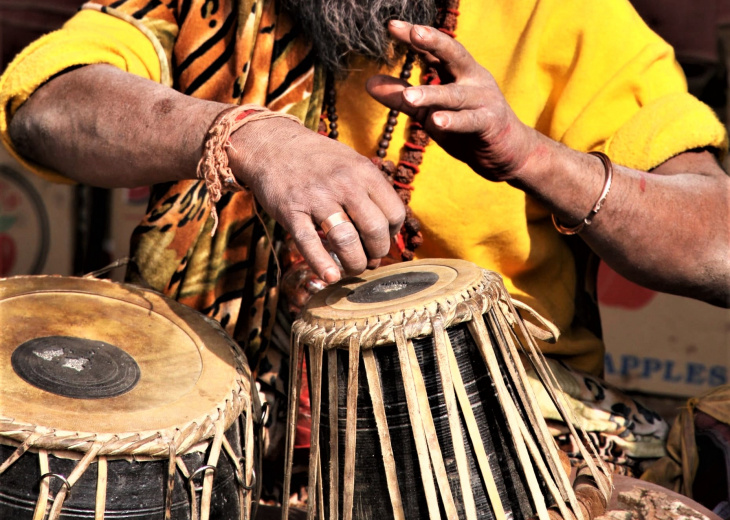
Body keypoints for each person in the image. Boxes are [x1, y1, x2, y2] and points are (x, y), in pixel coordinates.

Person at [1, 0, 728, 498]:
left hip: (497, 428)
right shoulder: (213, 10)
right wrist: (250, 136)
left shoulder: (565, 14)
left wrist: (530, 156)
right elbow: (47, 104)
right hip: (228, 422)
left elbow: (716, 244)